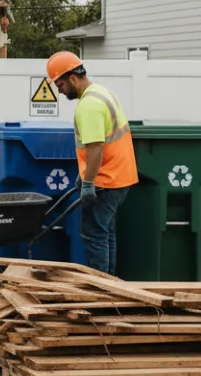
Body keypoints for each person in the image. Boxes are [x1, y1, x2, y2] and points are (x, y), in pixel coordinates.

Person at [47, 51, 138, 275]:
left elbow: (96, 147)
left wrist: (88, 181)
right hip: (120, 176)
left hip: (105, 180)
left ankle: (101, 288)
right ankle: (110, 283)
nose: (59, 90)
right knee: (105, 233)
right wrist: (84, 174)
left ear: (72, 78)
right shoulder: (102, 92)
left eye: (59, 84)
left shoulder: (89, 105)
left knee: (94, 234)